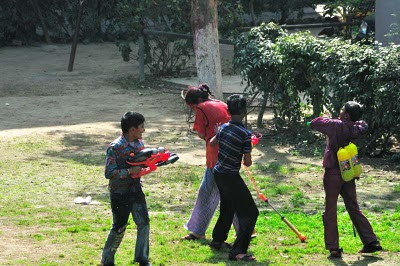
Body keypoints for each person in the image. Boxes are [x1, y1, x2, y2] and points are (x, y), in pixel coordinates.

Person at [310, 101, 382, 258]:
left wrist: (329, 118)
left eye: (342, 110)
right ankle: (371, 241)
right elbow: (364, 124)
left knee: (330, 209)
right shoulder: (356, 127)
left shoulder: (335, 125)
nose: (340, 112)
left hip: (333, 173)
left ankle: (333, 247)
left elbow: (315, 122)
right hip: (348, 171)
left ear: (347, 114)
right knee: (353, 206)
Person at [181, 84, 242, 241]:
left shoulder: (201, 108)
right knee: (230, 192)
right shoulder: (221, 103)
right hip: (231, 154)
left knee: (207, 193)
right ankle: (245, 228)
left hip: (215, 157)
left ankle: (197, 231)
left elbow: (201, 134)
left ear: (194, 103)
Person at [209, 94, 259, 262]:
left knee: (228, 206)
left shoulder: (223, 128)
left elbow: (212, 142)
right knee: (251, 212)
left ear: (228, 111)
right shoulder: (245, 133)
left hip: (219, 173)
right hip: (231, 175)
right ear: (244, 112)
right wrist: (249, 146)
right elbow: (248, 162)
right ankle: (238, 251)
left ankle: (217, 240)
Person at [100, 112, 151, 266]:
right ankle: (106, 261)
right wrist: (129, 172)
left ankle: (142, 258)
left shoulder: (139, 144)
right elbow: (109, 173)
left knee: (144, 223)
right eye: (141, 127)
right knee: (119, 227)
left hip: (135, 189)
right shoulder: (115, 148)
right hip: (119, 192)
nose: (143, 130)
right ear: (132, 129)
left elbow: (141, 164)